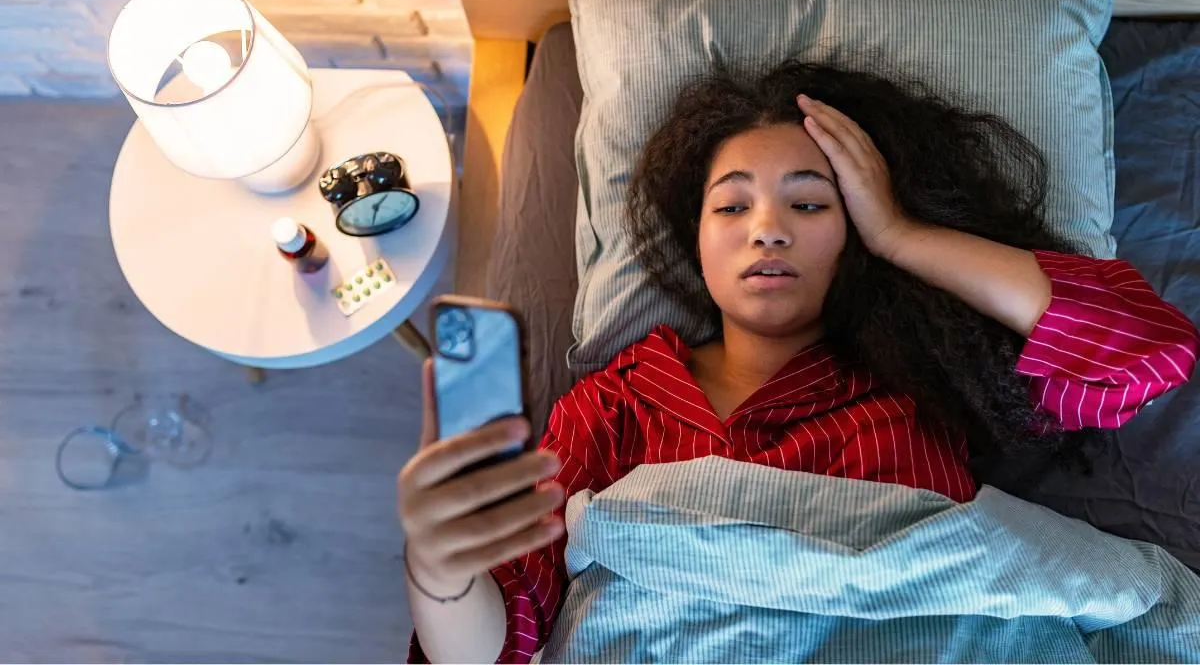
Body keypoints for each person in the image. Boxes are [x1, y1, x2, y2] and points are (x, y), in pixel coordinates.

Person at [398, 60, 1200, 664]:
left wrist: (901, 234)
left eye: (811, 203)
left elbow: (1140, 354)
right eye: (733, 205)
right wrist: (439, 565)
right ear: (697, 236)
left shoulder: (922, 374)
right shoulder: (617, 402)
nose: (768, 229)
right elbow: (496, 644)